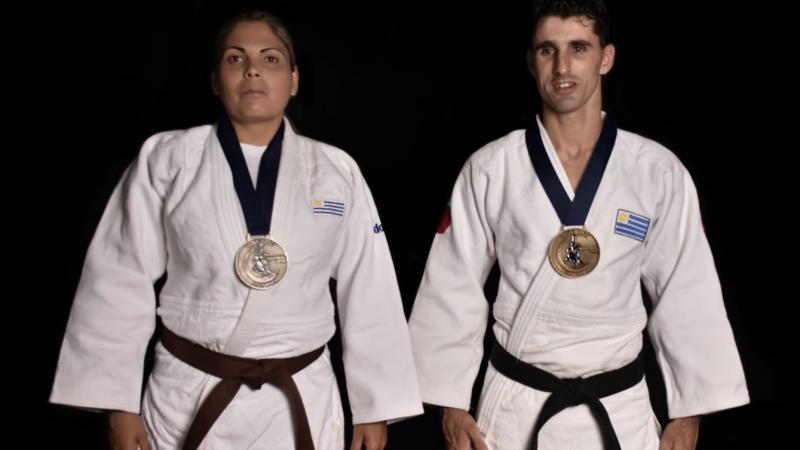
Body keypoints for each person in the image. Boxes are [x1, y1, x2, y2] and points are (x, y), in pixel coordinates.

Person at [50, 10, 422, 450]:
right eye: (234, 58)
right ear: (214, 78)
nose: (252, 70)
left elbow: (370, 287)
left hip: (302, 397)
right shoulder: (167, 160)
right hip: (186, 395)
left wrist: (374, 408)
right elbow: (117, 278)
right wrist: (118, 405)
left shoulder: (335, 170)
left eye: (270, 59)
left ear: (294, 79)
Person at [407, 1, 749, 449]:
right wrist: (451, 405)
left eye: (579, 48)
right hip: (515, 408)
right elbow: (453, 287)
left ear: (606, 57)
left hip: (620, 410)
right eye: (547, 50)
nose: (563, 66)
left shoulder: (656, 171)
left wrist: (688, 416)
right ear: (531, 62)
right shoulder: (491, 168)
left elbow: (688, 292)